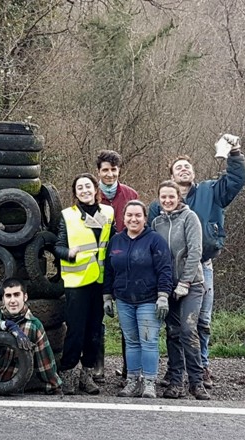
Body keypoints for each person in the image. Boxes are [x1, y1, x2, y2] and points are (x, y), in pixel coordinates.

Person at [147, 134, 245, 387]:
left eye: (187, 167)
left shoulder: (211, 191)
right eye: (178, 167)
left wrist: (234, 153)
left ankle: (201, 368)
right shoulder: (159, 206)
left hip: (202, 266)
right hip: (170, 272)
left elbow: (236, 180)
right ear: (171, 175)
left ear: (193, 173)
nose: (183, 169)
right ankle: (175, 371)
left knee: (201, 321)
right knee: (174, 325)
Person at [103, 200, 173, 398]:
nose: (133, 219)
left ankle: (149, 382)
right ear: (123, 218)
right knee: (132, 341)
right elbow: (108, 270)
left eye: (138, 215)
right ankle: (132, 381)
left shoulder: (155, 240)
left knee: (149, 341)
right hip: (124, 300)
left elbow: (165, 269)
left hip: (149, 300)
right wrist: (107, 296)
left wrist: (163, 296)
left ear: (144, 218)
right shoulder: (116, 241)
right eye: (129, 215)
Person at [55, 173, 115, 395]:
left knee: (94, 332)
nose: (84, 190)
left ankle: (87, 376)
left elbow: (113, 242)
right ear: (75, 192)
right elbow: (57, 246)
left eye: (88, 186)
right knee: (76, 331)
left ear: (95, 189)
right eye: (79, 187)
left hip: (100, 282)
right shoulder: (68, 216)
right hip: (76, 282)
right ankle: (68, 372)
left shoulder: (108, 213)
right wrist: (68, 253)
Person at [152, 180, 210, 400]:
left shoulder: (189, 217)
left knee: (188, 329)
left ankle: (196, 381)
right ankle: (176, 381)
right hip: (168, 286)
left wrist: (185, 282)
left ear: (178, 198)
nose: (167, 200)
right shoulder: (157, 223)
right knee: (173, 332)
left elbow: (196, 250)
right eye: (163, 197)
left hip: (192, 284)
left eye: (171, 197)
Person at [96, 149, 139, 382]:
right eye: (105, 170)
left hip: (125, 264)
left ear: (119, 170)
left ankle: (128, 368)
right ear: (98, 172)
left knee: (127, 318)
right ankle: (98, 367)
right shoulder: (91, 195)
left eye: (113, 170)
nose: (110, 174)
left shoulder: (130, 194)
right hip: (97, 263)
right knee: (97, 318)